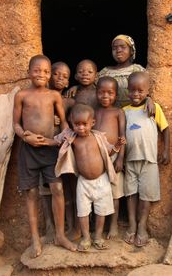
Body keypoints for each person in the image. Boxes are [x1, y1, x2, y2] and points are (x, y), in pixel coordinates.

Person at [13, 54, 76, 258]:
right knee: (31, 194)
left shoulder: (54, 96)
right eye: (37, 70)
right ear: (29, 72)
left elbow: (64, 122)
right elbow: (16, 124)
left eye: (46, 71)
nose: (41, 74)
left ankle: (59, 235)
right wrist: (25, 137)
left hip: (50, 150)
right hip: (28, 150)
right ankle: (35, 240)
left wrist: (60, 138)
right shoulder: (22, 95)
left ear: (49, 75)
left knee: (57, 188)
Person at [53, 104, 126, 251]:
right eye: (77, 124)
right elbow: (57, 140)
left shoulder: (98, 137)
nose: (80, 128)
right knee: (83, 211)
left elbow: (109, 152)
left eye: (84, 124)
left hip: (101, 180)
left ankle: (98, 237)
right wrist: (63, 132)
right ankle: (86, 238)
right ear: (72, 123)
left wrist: (117, 145)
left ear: (92, 123)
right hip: (83, 182)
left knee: (101, 211)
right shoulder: (72, 138)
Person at [123, 71, 170, 247]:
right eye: (133, 90)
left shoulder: (153, 108)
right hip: (130, 161)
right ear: (127, 90)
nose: (136, 94)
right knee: (130, 194)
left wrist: (166, 150)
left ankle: (142, 225)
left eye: (141, 91)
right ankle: (132, 223)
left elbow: (165, 129)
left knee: (146, 195)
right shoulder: (124, 111)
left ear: (147, 91)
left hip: (149, 160)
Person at [39, 61, 77, 243]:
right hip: (43, 150)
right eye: (56, 74)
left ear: (69, 82)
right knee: (45, 189)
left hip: (61, 149)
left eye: (65, 76)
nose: (60, 78)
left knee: (66, 188)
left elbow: (72, 123)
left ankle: (71, 226)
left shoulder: (69, 101)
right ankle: (49, 227)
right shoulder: (41, 97)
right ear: (48, 75)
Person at [94, 76, 126, 239]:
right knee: (98, 191)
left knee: (115, 193)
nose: (105, 96)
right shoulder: (94, 111)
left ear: (116, 95)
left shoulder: (118, 112)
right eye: (101, 92)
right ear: (96, 93)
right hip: (97, 159)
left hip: (114, 158)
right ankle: (100, 224)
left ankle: (113, 224)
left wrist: (120, 158)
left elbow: (122, 136)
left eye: (110, 93)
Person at [98, 34, 153, 110]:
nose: (118, 50)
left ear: (131, 50)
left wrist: (149, 99)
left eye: (123, 47)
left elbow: (148, 90)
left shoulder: (138, 70)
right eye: (114, 48)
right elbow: (91, 88)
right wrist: (77, 88)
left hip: (135, 113)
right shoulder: (105, 72)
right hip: (112, 115)